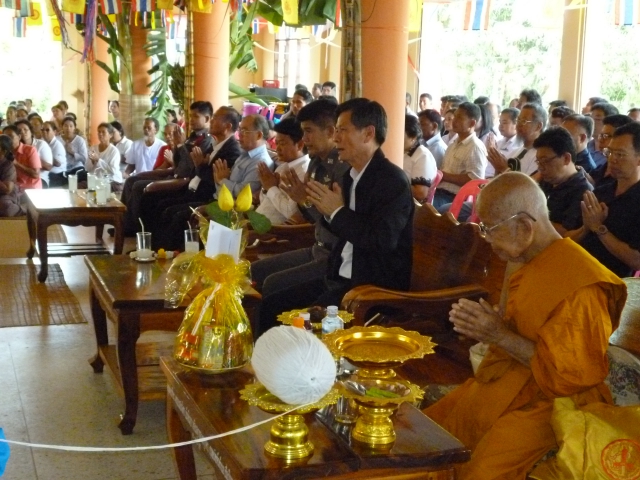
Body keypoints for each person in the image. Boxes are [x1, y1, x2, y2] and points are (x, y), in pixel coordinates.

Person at [425, 171, 627, 480]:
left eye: (489, 229)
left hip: (551, 405)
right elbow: (517, 323)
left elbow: (569, 379)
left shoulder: (582, 286)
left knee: (480, 472)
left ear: (524, 227)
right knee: (427, 437)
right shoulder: (526, 258)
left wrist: (498, 334)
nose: (485, 238)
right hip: (507, 377)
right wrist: (487, 326)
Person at [256, 98, 414, 337]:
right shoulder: (351, 176)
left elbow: (381, 241)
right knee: (270, 306)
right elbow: (341, 228)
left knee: (292, 323)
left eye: (342, 130)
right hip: (339, 275)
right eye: (336, 130)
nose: (336, 138)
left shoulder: (392, 180)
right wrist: (326, 211)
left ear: (368, 133)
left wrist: (337, 212)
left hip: (368, 289)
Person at [251, 99, 349, 298]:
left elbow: (338, 224)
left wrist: (304, 201)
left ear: (330, 132)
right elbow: (312, 215)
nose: (305, 138)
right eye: (303, 131)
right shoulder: (315, 164)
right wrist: (303, 201)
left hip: (334, 256)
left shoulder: (343, 168)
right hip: (317, 247)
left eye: (309, 131)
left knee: (273, 284)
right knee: (253, 270)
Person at [569, 122, 640, 277]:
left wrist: (599, 228)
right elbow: (570, 238)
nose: (612, 159)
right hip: (579, 268)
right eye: (610, 152)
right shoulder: (601, 191)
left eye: (620, 154)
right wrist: (586, 227)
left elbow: (636, 260)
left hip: (611, 281)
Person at [534, 127, 592, 234]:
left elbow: (565, 231)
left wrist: (531, 219)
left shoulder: (583, 191)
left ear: (566, 158)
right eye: (538, 161)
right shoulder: (545, 181)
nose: (540, 167)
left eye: (545, 161)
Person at [256, 118, 310, 225]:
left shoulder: (303, 172)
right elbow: (264, 201)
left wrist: (271, 188)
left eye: (282, 143)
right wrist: (266, 188)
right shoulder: (282, 167)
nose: (277, 149)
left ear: (300, 145)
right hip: (259, 222)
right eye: (276, 143)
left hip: (276, 230)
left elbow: (290, 212)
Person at [433, 102, 487, 209]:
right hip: (439, 191)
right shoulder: (452, 144)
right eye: (455, 116)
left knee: (428, 211)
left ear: (472, 123)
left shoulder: (475, 147)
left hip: (456, 198)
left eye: (459, 118)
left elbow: (475, 181)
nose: (454, 121)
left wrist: (445, 176)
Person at [213, 113, 273, 198]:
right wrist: (221, 179)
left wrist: (222, 180)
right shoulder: (245, 153)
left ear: (258, 135)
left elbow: (243, 193)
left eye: (244, 131)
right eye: (239, 130)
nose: (239, 135)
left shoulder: (261, 163)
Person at [487, 103, 547, 176]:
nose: (518, 124)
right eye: (518, 120)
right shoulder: (517, 151)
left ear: (538, 126)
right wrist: (497, 166)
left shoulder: (540, 157)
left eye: (524, 121)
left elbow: (528, 183)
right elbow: (499, 179)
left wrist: (504, 169)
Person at [589, 114, 634, 186]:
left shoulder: (622, 174)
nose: (601, 140)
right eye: (601, 135)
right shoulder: (600, 168)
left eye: (606, 136)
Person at [403, 114, 437, 203]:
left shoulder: (422, 156)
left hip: (411, 204)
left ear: (413, 137)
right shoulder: (402, 152)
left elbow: (420, 193)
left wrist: (394, 183)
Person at [85, 123, 123, 190]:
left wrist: (98, 160)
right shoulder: (93, 148)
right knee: (80, 185)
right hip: (96, 180)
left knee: (103, 188)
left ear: (110, 135)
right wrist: (92, 162)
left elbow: (113, 170)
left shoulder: (114, 151)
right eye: (99, 132)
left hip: (111, 181)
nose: (100, 134)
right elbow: (87, 168)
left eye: (103, 132)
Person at [2, 125, 42, 190]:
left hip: (30, 188)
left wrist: (16, 163)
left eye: (11, 136)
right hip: (12, 187)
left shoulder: (30, 150)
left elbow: (36, 175)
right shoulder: (4, 152)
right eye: (6, 138)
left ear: (19, 137)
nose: (8, 140)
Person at [15, 120, 53, 188]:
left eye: (25, 129)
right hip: (20, 179)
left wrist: (32, 157)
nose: (23, 132)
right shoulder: (15, 146)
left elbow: (49, 167)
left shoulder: (41, 144)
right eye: (19, 130)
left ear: (31, 131)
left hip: (40, 178)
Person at [0, 135, 25, 216]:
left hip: (5, 196)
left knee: (5, 205)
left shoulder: (8, 166)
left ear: (3, 151)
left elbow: (7, 189)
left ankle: (21, 211)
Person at [588, 102, 619, 167]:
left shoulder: (614, 156)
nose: (591, 122)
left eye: (597, 119)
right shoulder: (586, 146)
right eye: (590, 118)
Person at [41, 121, 67, 187]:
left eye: (47, 130)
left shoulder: (58, 145)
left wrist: (43, 157)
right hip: (46, 172)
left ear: (54, 132)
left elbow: (58, 163)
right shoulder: (42, 143)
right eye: (42, 130)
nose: (44, 132)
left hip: (57, 174)